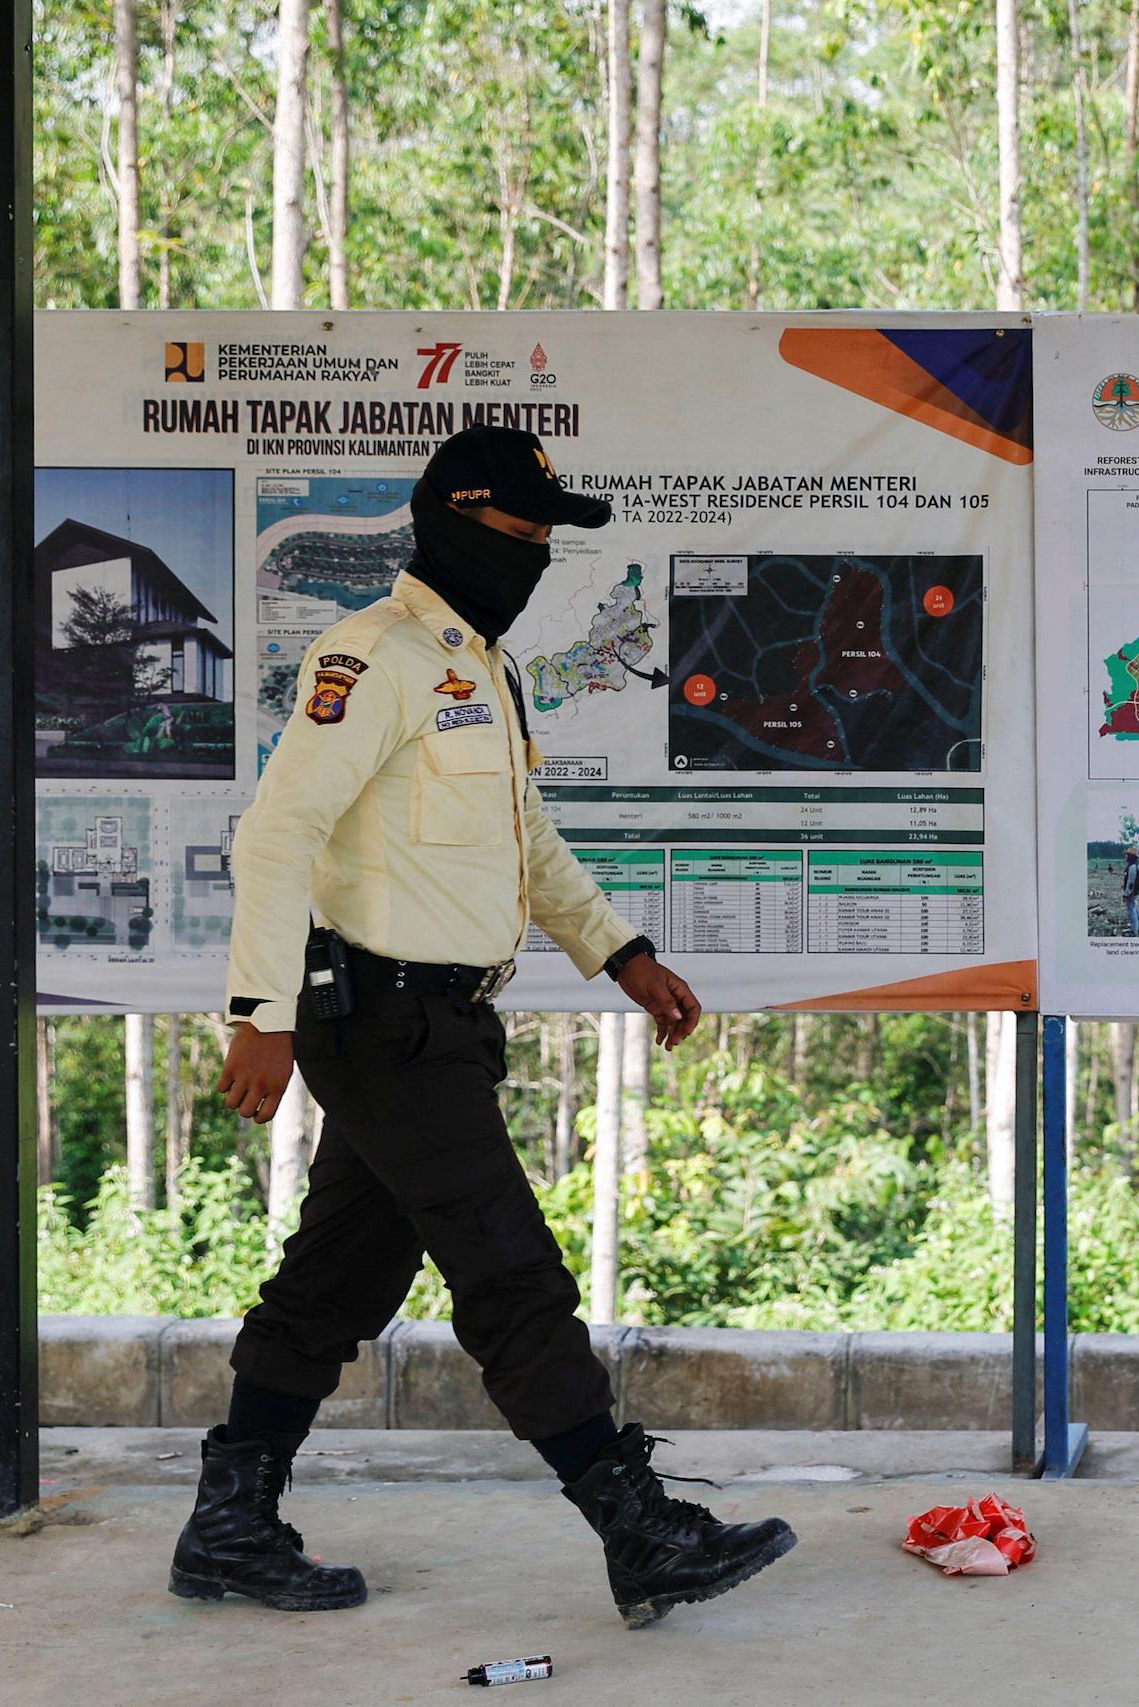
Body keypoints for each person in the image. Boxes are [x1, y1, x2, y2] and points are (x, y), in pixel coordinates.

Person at [172, 426, 795, 1630]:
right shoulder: (374, 657)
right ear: (456, 523)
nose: (539, 556)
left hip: (437, 1026)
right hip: (378, 1021)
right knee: (509, 1272)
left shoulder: (482, 671)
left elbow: (528, 846)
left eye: (549, 539)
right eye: (523, 535)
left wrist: (622, 951)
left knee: (339, 1274)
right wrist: (260, 1013)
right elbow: (275, 833)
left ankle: (230, 1523)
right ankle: (636, 1525)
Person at [1122, 844, 1139, 936]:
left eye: (1127, 854)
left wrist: (1126, 894)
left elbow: (1130, 882)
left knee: (1131, 909)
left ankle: (1134, 929)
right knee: (1135, 906)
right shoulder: (1134, 865)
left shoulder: (1131, 867)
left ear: (1130, 857)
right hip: (1135, 891)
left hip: (1131, 892)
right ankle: (1137, 925)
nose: (1125, 856)